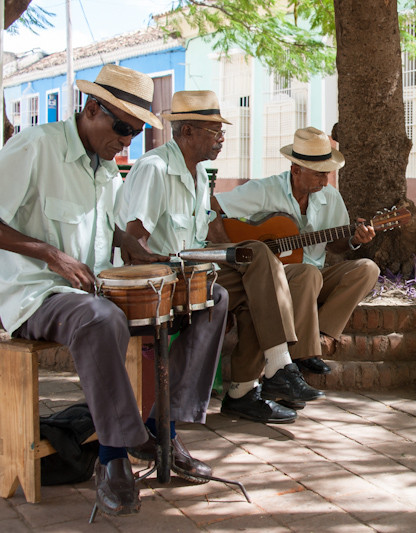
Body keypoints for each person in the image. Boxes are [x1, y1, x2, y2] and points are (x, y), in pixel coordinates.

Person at [0, 65, 213, 517]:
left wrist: (130, 244)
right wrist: (48, 253)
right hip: (38, 294)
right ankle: (114, 458)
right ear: (92, 108)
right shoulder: (37, 147)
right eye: (122, 128)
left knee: (208, 299)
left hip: (93, 291)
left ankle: (162, 428)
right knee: (101, 319)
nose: (127, 142)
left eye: (136, 133)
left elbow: (110, 230)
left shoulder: (106, 167)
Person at [118, 91, 321, 427]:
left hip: (200, 273)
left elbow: (214, 232)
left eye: (221, 132)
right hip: (166, 278)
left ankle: (244, 392)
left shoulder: (199, 175)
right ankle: (278, 367)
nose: (222, 139)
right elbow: (135, 235)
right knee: (258, 257)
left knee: (281, 276)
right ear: (186, 132)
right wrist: (149, 279)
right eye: (214, 131)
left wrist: (241, 261)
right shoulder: (155, 168)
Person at [212, 126, 380, 404]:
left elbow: (336, 246)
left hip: (313, 278)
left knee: (367, 269)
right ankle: (303, 354)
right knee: (307, 272)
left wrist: (353, 239)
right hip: (278, 280)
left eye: (327, 173)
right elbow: (214, 205)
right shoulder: (265, 190)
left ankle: (320, 336)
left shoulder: (331, 197)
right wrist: (227, 249)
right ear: (296, 168)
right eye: (318, 174)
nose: (325, 181)